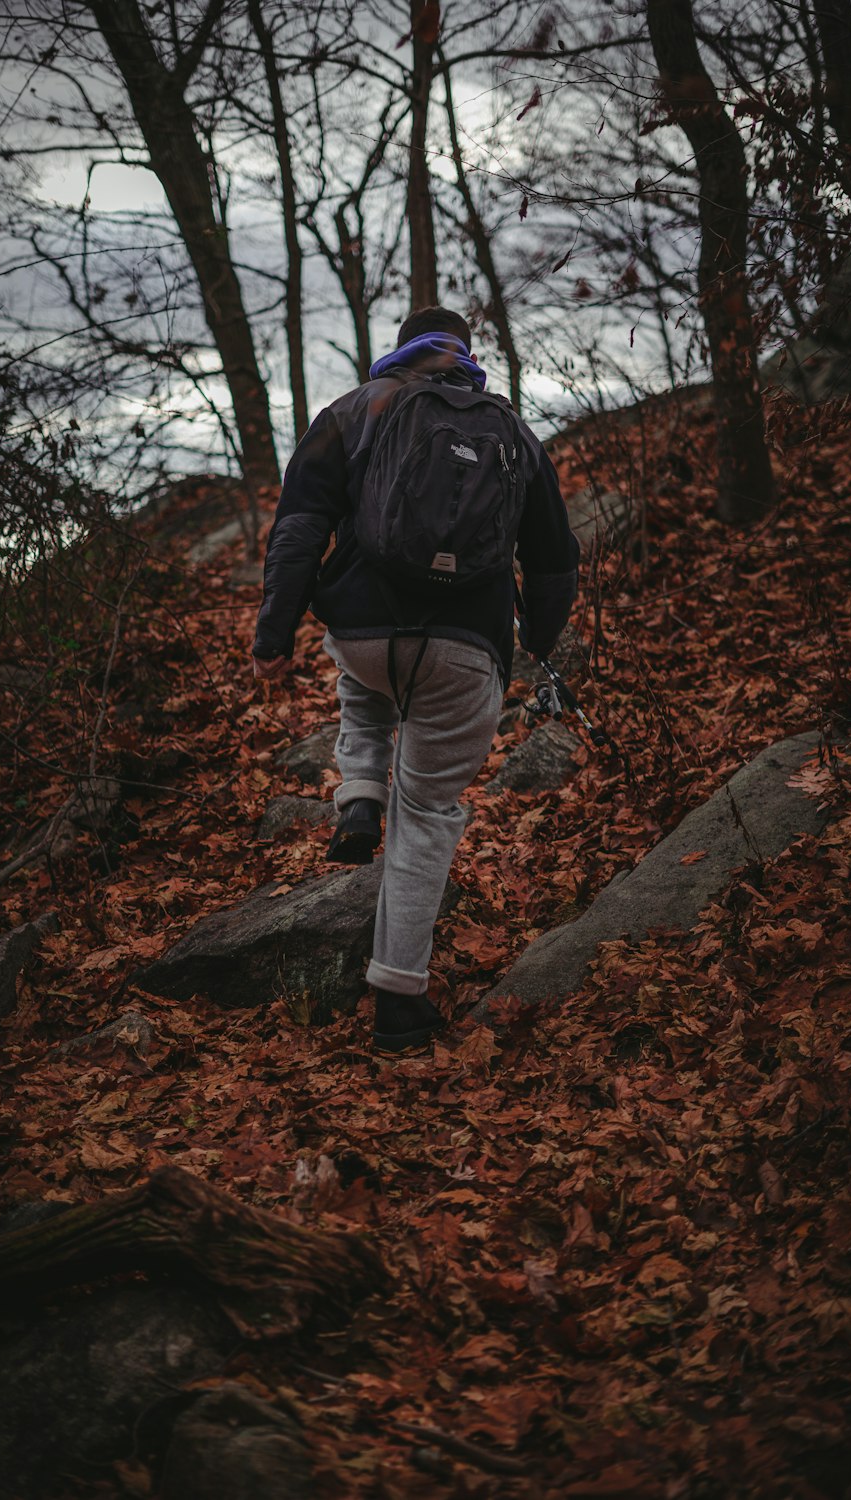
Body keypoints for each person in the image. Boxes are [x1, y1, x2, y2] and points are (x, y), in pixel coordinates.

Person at [253, 306, 578, 1051]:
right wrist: (533, 643)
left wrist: (274, 636)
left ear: (402, 351)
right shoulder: (511, 430)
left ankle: (360, 799)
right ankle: (398, 1000)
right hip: (467, 648)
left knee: (362, 677)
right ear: (464, 356)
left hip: (364, 631)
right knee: (427, 811)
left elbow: (300, 527)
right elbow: (556, 563)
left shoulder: (354, 410)